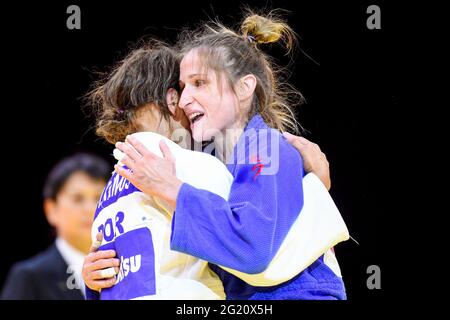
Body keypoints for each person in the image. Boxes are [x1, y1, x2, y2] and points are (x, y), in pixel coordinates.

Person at [83, 40, 347, 299]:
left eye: (199, 83)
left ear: (244, 88)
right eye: (183, 87)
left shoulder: (267, 147)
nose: (185, 99)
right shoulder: (196, 163)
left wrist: (171, 189)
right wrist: (95, 278)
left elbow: (252, 248)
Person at [1, 153, 110, 300]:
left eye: (98, 198)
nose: (91, 208)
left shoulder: (125, 268)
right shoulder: (30, 277)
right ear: (51, 210)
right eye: (77, 198)